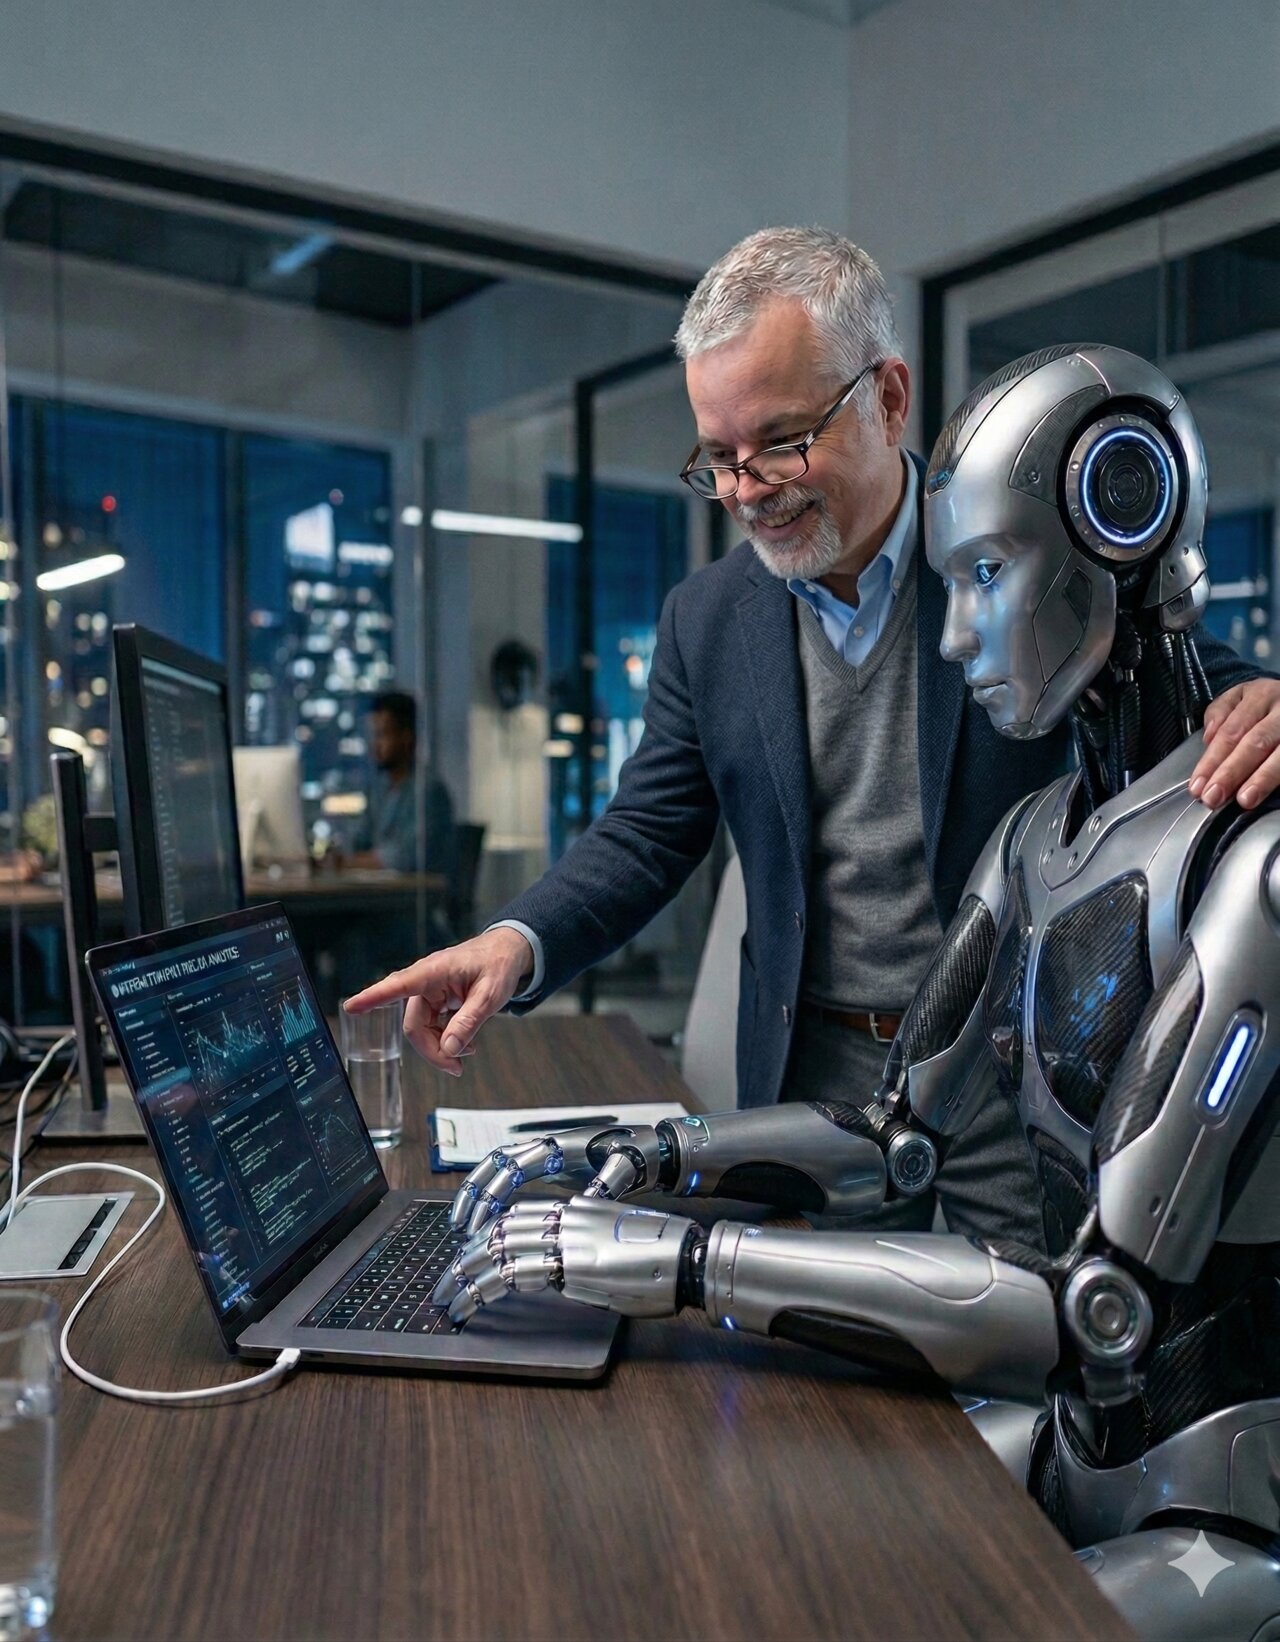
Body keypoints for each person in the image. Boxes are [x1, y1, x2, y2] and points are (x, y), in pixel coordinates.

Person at [430, 346, 1280, 1642]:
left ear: (1119, 518)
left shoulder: (1248, 865)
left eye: (985, 577)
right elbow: (894, 1134)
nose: (955, 633)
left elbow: (1097, 1307)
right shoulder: (1031, 836)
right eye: (717, 458)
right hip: (1066, 1428)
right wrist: (648, 1155)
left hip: (1212, 1510)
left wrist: (683, 1260)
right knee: (758, 1532)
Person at [348, 228, 1280, 1245]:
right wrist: (513, 942)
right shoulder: (705, 621)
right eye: (719, 458)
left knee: (1027, 1335)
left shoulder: (1015, 554)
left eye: (782, 441)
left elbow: (1197, 681)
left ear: (888, 398)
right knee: (814, 1349)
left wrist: (1267, 706)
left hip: (1009, 1072)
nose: (748, 489)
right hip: (816, 1081)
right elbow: (647, 834)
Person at [346, 691, 455, 879]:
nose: (375, 745)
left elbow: (406, 858)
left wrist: (349, 862)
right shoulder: (378, 790)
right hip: (377, 889)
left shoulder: (429, 791)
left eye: (382, 735)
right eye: (373, 735)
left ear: (406, 737)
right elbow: (360, 842)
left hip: (413, 893)